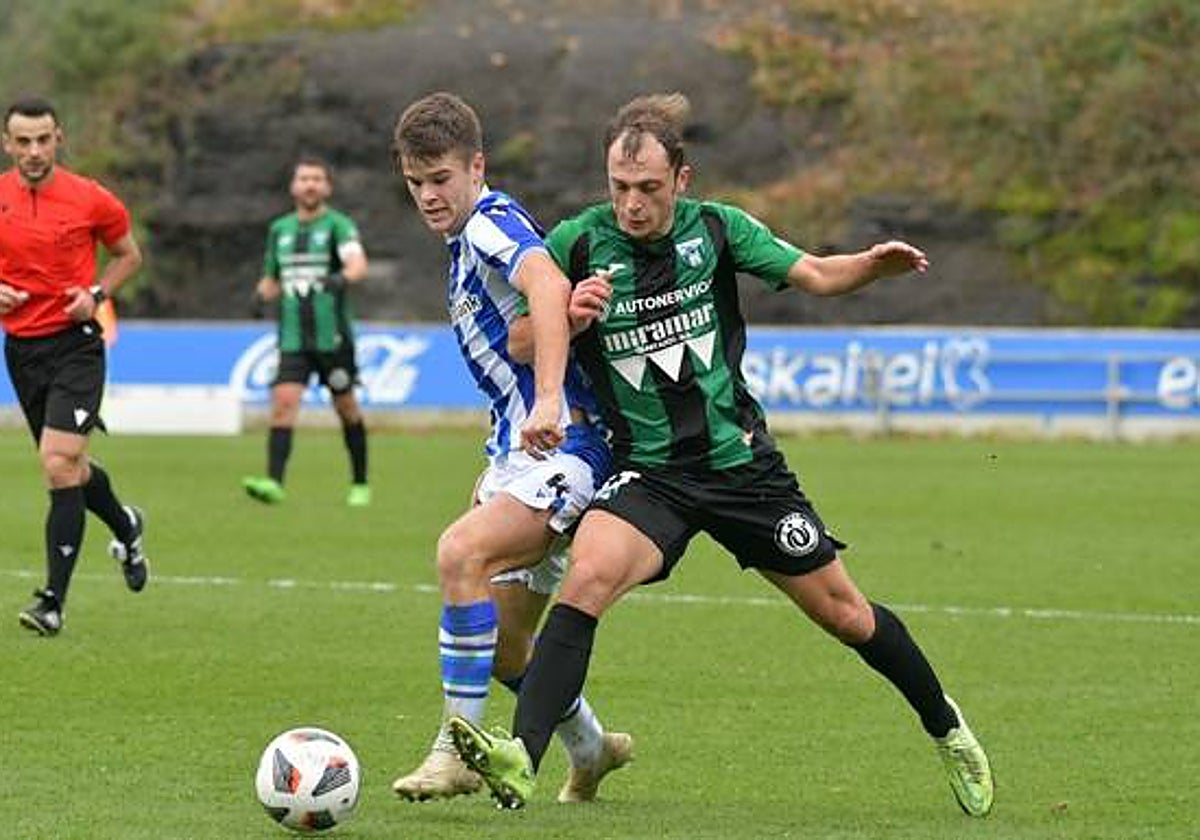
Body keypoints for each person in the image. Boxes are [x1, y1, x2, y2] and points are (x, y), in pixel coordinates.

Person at [448, 93, 996, 817]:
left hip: (742, 469)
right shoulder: (579, 244)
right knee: (588, 577)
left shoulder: (718, 229)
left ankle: (946, 726)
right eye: (619, 189)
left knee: (846, 615)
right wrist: (573, 312)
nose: (632, 205)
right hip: (651, 475)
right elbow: (524, 336)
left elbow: (816, 275)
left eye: (647, 189)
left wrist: (869, 264)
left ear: (682, 179)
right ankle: (522, 756)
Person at [388, 91, 632, 804]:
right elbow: (524, 331)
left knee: (459, 553)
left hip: (568, 447)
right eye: (415, 184)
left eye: (441, 180)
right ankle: (592, 749)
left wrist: (551, 397)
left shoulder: (493, 222)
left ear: (476, 167)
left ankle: (453, 751)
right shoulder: (462, 244)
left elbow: (545, 281)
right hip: (517, 452)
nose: (430, 196)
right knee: (503, 647)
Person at [0, 97, 149, 636]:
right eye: (23, 141)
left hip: (77, 345)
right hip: (22, 349)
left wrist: (95, 293)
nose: (34, 151)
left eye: (43, 139)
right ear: (7, 143)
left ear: (58, 137)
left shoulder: (90, 198)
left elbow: (128, 254)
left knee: (57, 461)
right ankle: (126, 524)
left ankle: (52, 602)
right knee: (69, 467)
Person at [242, 157, 372, 507]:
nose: (310, 185)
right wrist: (259, 296)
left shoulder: (338, 226)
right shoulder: (279, 230)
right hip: (293, 339)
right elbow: (273, 278)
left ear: (327, 187)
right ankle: (274, 482)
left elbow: (358, 265)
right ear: (293, 186)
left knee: (346, 407)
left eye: (317, 179)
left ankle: (360, 483)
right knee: (283, 404)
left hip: (334, 339)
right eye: (304, 179)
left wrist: (341, 277)